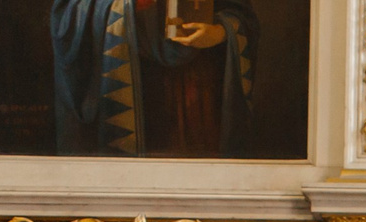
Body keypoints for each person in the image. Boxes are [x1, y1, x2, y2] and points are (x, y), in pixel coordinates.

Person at [49, 0, 263, 156]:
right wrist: (128, 5)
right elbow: (68, 15)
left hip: (195, 91)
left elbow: (241, 15)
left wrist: (220, 32)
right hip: (131, 82)